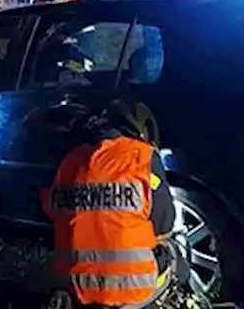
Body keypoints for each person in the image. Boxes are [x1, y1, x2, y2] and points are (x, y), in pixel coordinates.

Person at [42, 98, 178, 309]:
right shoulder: (143, 157)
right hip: (134, 290)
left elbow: (52, 210)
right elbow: (165, 224)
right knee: (173, 250)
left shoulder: (71, 159)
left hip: (74, 288)